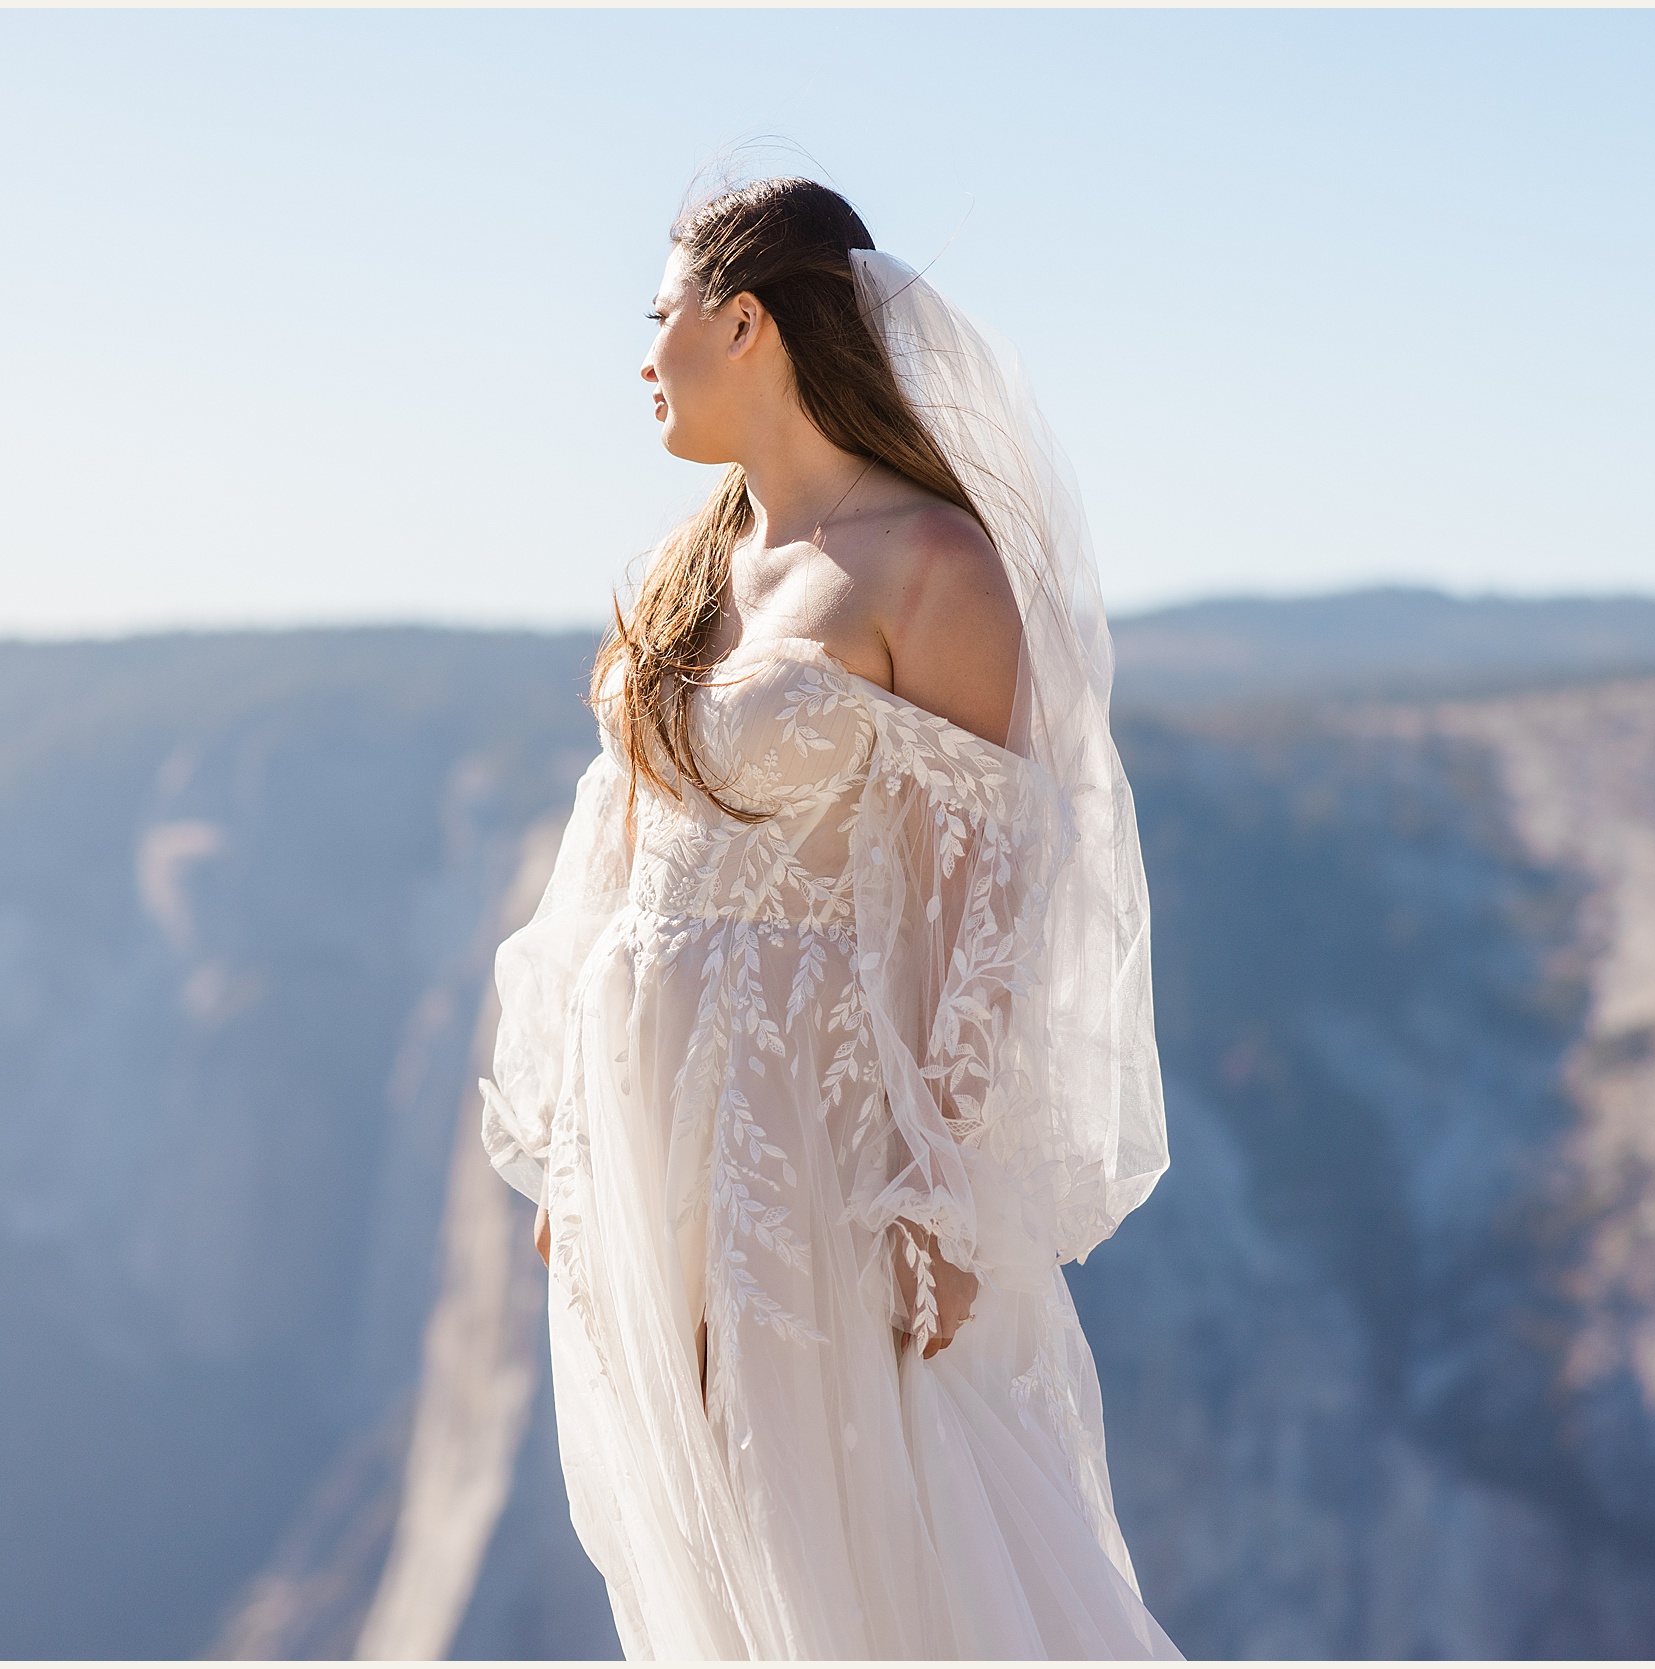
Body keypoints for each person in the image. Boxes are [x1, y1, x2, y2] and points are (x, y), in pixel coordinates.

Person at [478, 174, 1179, 1660]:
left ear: (747, 323)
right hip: (641, 1107)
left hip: (805, 1113)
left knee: (841, 1517)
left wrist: (933, 1179)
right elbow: (613, 842)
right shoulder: (685, 569)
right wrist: (568, 1134)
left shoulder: (932, 562)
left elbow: (986, 892)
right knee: (699, 1529)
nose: (643, 356)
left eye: (658, 318)